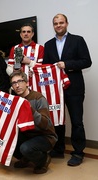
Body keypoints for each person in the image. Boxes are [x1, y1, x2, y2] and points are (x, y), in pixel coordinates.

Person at [42, 13, 92, 166]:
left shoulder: (77, 40)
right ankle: (58, 148)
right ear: (53, 25)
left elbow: (86, 61)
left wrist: (67, 64)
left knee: (77, 122)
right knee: (57, 121)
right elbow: (46, 67)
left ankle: (78, 152)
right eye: (56, 23)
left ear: (67, 23)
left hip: (74, 88)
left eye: (61, 22)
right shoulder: (48, 44)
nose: (58, 25)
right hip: (55, 90)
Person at [10, 71, 57, 174]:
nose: (17, 85)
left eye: (20, 81)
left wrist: (30, 110)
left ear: (26, 83)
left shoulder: (38, 98)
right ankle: (27, 158)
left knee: (25, 148)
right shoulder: (15, 100)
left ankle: (43, 160)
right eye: (14, 83)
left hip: (45, 136)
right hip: (28, 134)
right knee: (7, 141)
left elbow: (45, 124)